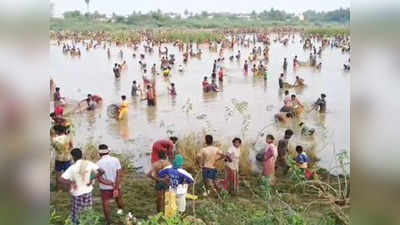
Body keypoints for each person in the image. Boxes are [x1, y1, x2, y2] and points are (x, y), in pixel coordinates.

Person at [59, 148, 105, 225]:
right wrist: (91, 178)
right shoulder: (88, 163)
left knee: (76, 213)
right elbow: (102, 171)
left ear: (73, 157)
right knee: (87, 211)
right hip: (88, 191)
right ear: (81, 155)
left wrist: (72, 182)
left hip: (77, 193)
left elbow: (61, 179)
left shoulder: (72, 167)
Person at [96, 144, 124, 223]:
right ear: (108, 151)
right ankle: (120, 214)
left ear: (99, 153)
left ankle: (108, 220)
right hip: (117, 185)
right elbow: (119, 174)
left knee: (105, 202)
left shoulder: (98, 163)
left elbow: (99, 179)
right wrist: (115, 187)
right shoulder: (116, 160)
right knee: (119, 199)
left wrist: (109, 183)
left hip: (104, 188)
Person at [51, 125, 73, 191]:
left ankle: (58, 188)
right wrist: (68, 151)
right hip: (67, 157)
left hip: (59, 158)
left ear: (57, 131)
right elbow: (71, 146)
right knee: (68, 173)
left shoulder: (54, 139)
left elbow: (55, 147)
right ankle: (68, 188)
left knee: (58, 174)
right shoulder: (68, 137)